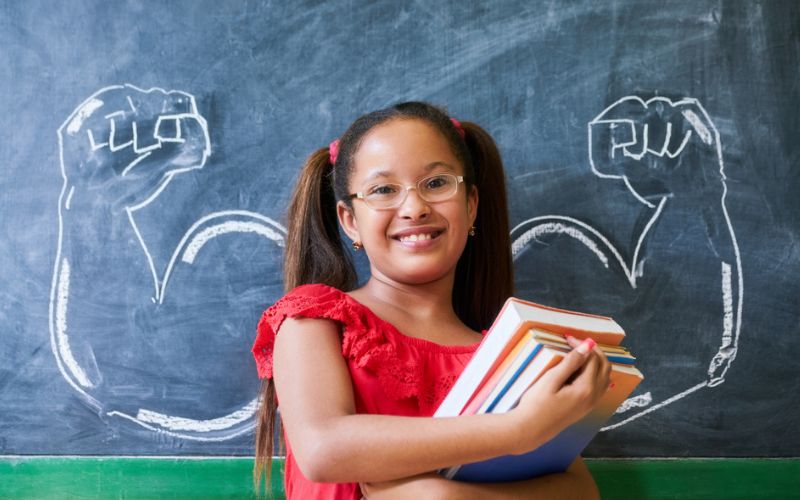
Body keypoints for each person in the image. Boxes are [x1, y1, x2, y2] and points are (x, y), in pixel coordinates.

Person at [252, 102, 611, 499]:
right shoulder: (316, 320)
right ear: (350, 220)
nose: (415, 208)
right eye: (383, 190)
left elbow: (580, 491)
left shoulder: (507, 353)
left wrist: (442, 497)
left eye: (437, 183)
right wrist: (518, 430)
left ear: (471, 206)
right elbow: (324, 448)